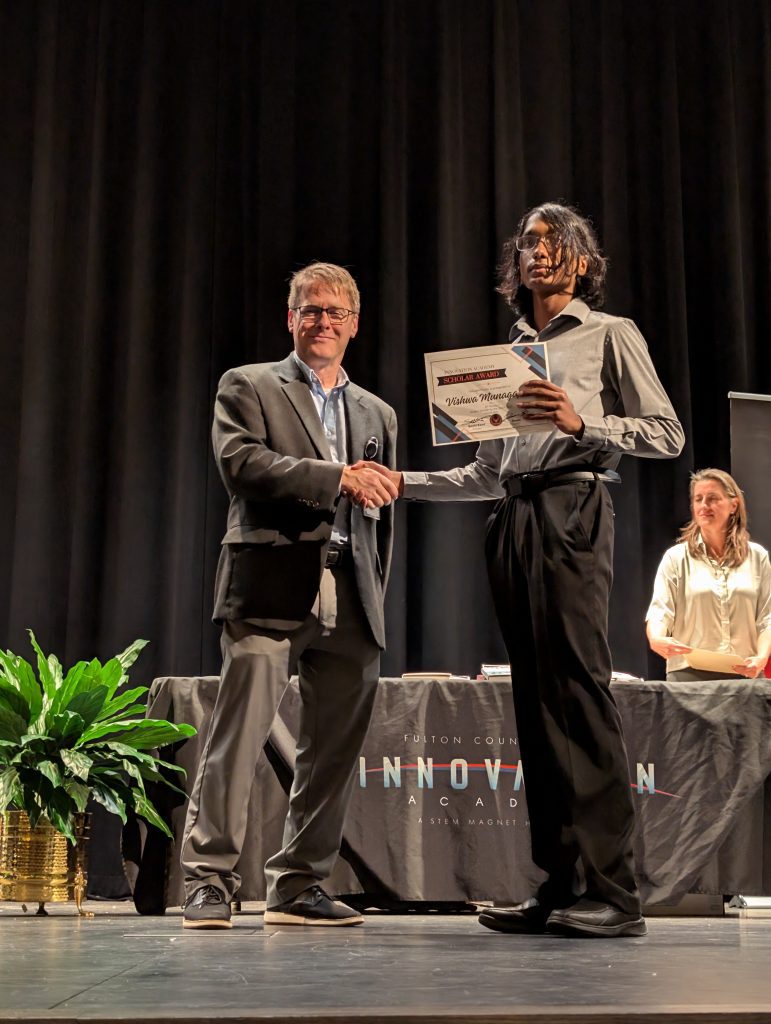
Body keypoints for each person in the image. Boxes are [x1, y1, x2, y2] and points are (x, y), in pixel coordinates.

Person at [363, 202, 684, 938]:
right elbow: (485, 473)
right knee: (536, 704)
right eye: (529, 242)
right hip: (512, 515)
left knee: (578, 694)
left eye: (554, 241)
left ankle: (615, 893)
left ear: (581, 260)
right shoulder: (506, 353)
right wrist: (400, 482)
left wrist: (581, 422)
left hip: (574, 505)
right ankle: (560, 884)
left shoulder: (610, 334)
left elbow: (666, 433)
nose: (538, 251)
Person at [180, 261, 399, 929]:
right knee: (237, 738)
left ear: (355, 324)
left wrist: (374, 589)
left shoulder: (377, 413)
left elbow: (381, 509)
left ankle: (298, 884)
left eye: (335, 312)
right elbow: (241, 464)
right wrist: (336, 477)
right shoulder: (248, 384)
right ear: (291, 319)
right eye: (311, 310)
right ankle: (208, 879)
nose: (322, 321)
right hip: (269, 587)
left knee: (331, 753)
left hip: (352, 593)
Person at [645, 468, 771, 681]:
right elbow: (660, 611)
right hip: (689, 675)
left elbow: (767, 618)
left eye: (712, 498)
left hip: (745, 673)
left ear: (733, 505)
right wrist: (656, 637)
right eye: (698, 499)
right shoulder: (676, 557)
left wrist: (761, 658)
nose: (704, 505)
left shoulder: (757, 557)